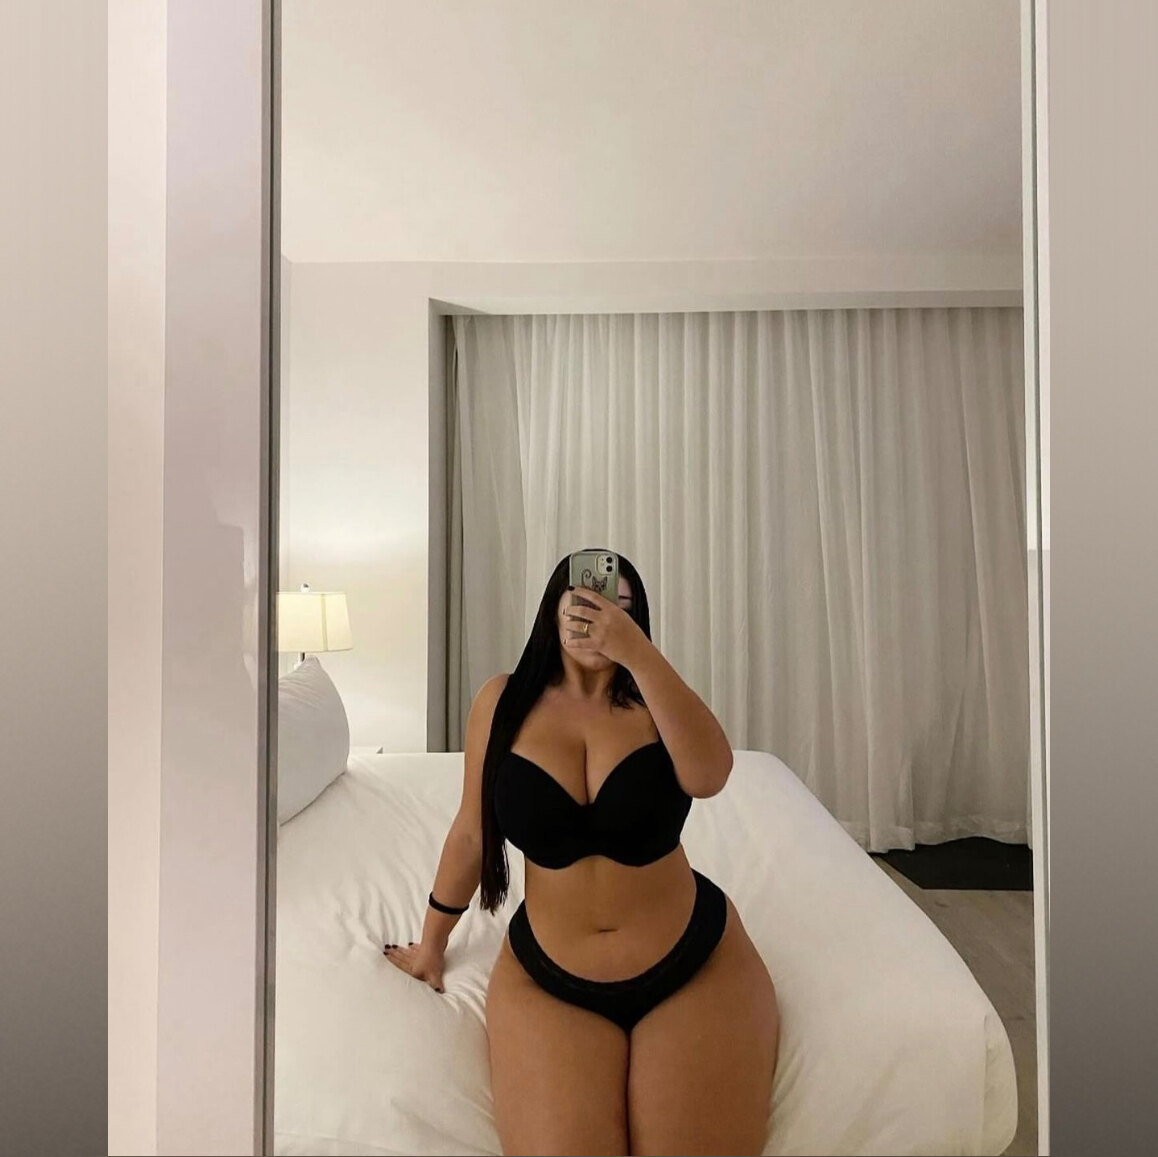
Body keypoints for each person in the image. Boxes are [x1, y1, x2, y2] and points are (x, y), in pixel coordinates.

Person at [385, 550, 779, 1156]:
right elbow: (471, 833)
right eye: (586, 601)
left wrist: (639, 655)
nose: (601, 616)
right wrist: (431, 947)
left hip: (693, 964)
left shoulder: (655, 696)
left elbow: (710, 776)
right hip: (550, 980)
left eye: (620, 607)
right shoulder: (503, 702)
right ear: (553, 610)